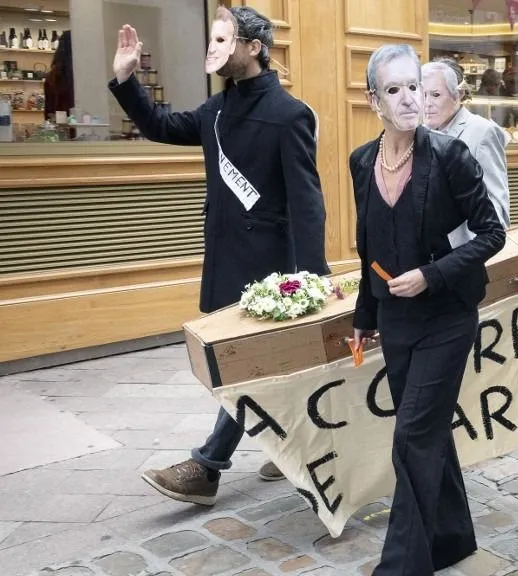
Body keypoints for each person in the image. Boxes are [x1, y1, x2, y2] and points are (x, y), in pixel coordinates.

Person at [114, 7, 329, 505]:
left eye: (221, 39)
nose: (212, 48)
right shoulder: (215, 112)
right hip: (227, 259)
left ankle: (207, 467)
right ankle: (294, 445)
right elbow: (160, 126)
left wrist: (311, 279)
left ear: (253, 47)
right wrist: (127, 80)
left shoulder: (288, 114)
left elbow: (306, 202)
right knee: (263, 369)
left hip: (272, 272)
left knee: (241, 367)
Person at [348, 44, 505, 574]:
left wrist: (432, 275)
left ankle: (402, 565)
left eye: (414, 86)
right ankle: (453, 538)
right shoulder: (362, 161)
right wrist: (364, 319)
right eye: (394, 89)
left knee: (413, 435)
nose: (409, 98)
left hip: (447, 317)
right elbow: (367, 246)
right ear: (375, 100)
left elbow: (492, 233)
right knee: (429, 432)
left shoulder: (450, 156)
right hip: (395, 323)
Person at [421, 57, 511, 242]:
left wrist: (469, 253)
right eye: (423, 94)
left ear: (459, 94)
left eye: (436, 95)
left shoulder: (482, 132)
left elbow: (497, 210)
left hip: (461, 256)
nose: (427, 103)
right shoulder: (420, 132)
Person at [44, 31, 73, 125]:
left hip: (59, 128)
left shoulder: (53, 76)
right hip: (83, 126)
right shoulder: (82, 74)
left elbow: (49, 111)